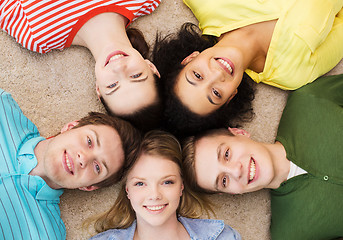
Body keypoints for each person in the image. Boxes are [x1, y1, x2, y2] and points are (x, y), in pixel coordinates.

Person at [182, 74, 343, 239]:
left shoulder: (309, 100)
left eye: (226, 154)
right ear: (230, 193)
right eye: (223, 181)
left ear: (239, 133)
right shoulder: (290, 235)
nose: (236, 171)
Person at [153, 0, 343, 137]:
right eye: (216, 93)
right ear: (231, 96)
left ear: (190, 58)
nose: (217, 74)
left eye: (197, 75)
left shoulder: (207, 3)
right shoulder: (292, 73)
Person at [0, 88, 141, 240]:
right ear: (71, 126)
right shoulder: (3, 108)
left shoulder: (46, 235)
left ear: (89, 187)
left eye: (97, 167)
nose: (83, 159)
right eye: (89, 141)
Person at [0, 0, 162, 131]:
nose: (119, 68)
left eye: (113, 85)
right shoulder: (148, 1)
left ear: (98, 89)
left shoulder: (36, 36)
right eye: (136, 76)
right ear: (151, 67)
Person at [86, 130, 241, 240]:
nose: (155, 195)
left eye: (167, 182)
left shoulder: (222, 236)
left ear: (181, 186)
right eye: (140, 183)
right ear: (127, 190)